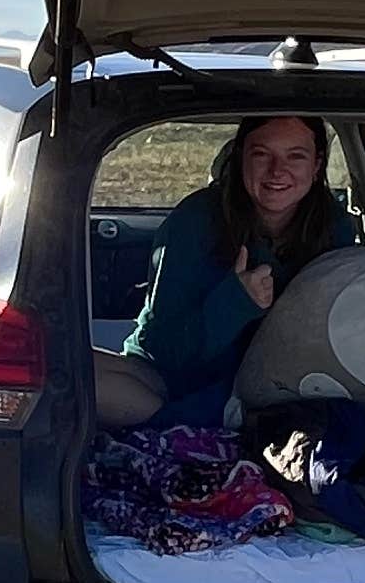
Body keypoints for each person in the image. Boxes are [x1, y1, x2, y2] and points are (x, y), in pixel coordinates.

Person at [118, 113, 353, 415]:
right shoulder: (194, 222)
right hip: (170, 381)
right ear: (241, 157)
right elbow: (164, 349)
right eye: (261, 154)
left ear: (317, 165)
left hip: (282, 389)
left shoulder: (333, 226)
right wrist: (235, 302)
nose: (277, 170)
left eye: (295, 156)